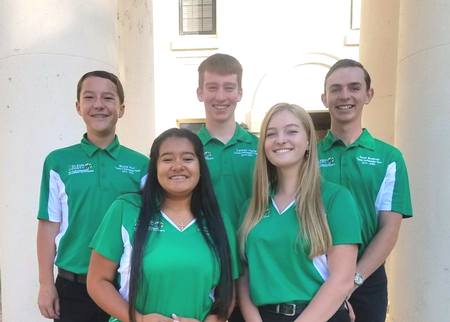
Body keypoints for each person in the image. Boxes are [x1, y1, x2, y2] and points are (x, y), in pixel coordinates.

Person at [87, 128, 240, 322]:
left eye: (187, 159)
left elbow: (228, 292)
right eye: (167, 159)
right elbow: (97, 281)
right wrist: (139, 319)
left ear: (200, 167)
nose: (178, 166)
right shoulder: (126, 209)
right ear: (155, 167)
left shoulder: (219, 221)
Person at [37, 70, 149, 322]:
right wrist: (46, 283)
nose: (98, 105)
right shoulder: (57, 162)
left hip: (126, 287)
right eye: (89, 97)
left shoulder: (142, 165)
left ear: (121, 108)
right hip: (73, 287)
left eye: (108, 98)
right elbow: (48, 226)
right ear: (78, 106)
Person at [237, 103, 362, 322]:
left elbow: (341, 279)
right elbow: (244, 276)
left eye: (292, 131)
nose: (281, 139)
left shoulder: (336, 199)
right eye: (271, 134)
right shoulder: (252, 207)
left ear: (308, 142)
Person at [318, 59, 413, 322]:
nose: (344, 95)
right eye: (335, 89)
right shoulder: (307, 157)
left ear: (368, 95)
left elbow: (389, 229)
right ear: (324, 98)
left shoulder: (389, 157)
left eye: (354, 87)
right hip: (313, 277)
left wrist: (352, 280)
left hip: (366, 280)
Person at [196, 53, 259, 232]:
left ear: (240, 93)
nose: (221, 97)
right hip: (205, 253)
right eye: (212, 87)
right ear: (200, 93)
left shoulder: (261, 148)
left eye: (229, 88)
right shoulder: (189, 150)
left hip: (252, 252)